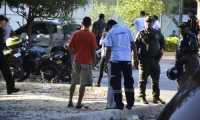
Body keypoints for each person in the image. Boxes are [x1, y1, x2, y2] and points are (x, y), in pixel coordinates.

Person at [104, 19, 139, 110]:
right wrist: (136, 57)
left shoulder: (111, 32)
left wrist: (105, 62)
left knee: (116, 82)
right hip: (127, 59)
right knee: (128, 81)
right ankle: (130, 103)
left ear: (110, 25)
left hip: (116, 60)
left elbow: (108, 49)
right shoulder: (127, 29)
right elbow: (133, 44)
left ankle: (119, 104)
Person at [66, 16, 97, 109]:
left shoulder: (76, 33)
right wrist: (93, 62)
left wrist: (74, 54)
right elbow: (93, 51)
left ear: (82, 23)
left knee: (74, 82)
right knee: (83, 83)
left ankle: (70, 101)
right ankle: (79, 103)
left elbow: (69, 46)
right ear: (90, 24)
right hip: (86, 62)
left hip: (76, 61)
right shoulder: (92, 35)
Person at [135, 16, 165, 104]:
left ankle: (156, 97)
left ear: (153, 23)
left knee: (155, 79)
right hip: (144, 60)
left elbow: (162, 41)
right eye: (147, 22)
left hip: (155, 60)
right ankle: (142, 97)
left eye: (150, 22)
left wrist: (161, 49)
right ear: (145, 23)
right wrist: (135, 58)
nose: (149, 24)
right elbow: (135, 46)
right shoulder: (141, 34)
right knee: (143, 79)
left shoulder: (157, 33)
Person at [168, 22, 199, 90]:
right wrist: (178, 63)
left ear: (188, 28)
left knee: (191, 88)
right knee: (181, 86)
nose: (181, 30)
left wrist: (183, 60)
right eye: (180, 28)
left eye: (183, 28)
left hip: (191, 66)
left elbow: (194, 53)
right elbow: (178, 53)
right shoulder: (181, 38)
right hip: (182, 66)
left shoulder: (191, 37)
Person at [0, 15, 20, 94]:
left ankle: (11, 88)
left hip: (0, 52)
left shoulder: (2, 30)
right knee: (6, 70)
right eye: (4, 21)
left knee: (6, 70)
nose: (5, 22)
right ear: (1, 21)